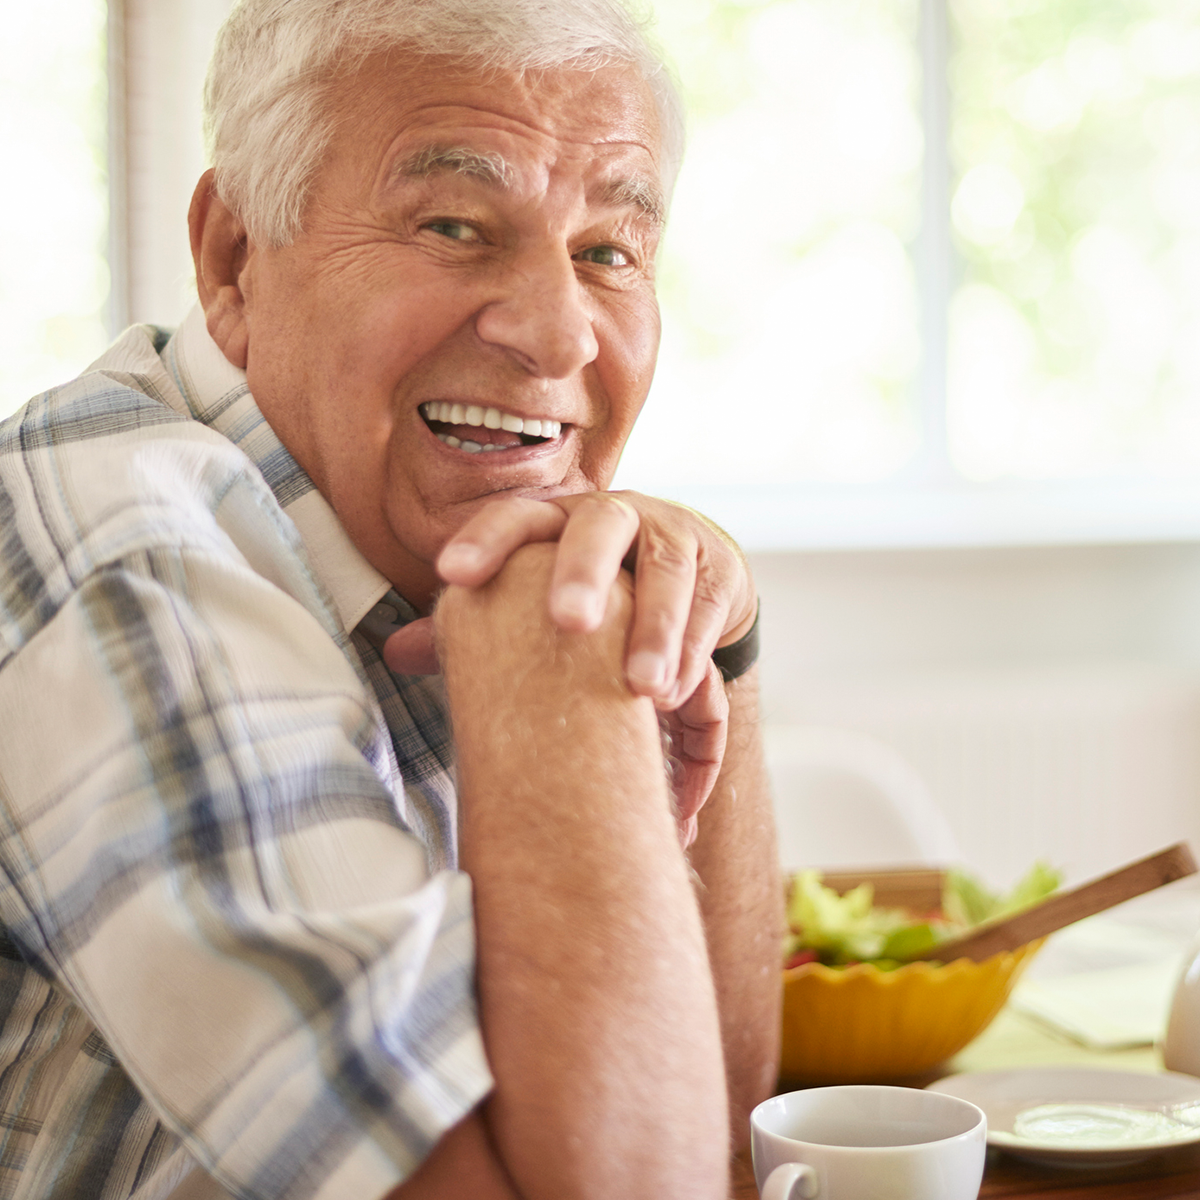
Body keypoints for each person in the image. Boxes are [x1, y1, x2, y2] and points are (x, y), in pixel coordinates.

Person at [0, 1, 781, 1197]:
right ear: (233, 258)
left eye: (608, 252)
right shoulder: (129, 547)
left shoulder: (381, 515)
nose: (556, 332)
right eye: (457, 224)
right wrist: (557, 635)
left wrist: (718, 639)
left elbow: (727, 1134)